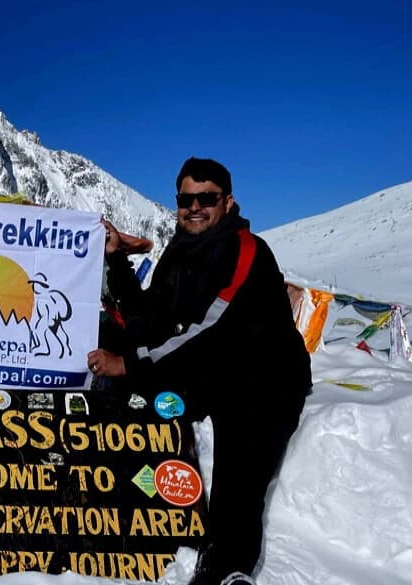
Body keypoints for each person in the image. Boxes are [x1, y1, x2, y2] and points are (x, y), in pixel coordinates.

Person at [87, 157, 311, 585]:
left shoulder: (247, 252)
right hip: (208, 371)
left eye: (206, 198)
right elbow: (149, 320)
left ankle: (227, 569)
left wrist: (128, 364)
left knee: (238, 480)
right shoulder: (179, 251)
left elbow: (210, 330)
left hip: (262, 382)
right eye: (187, 199)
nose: (195, 207)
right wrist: (116, 261)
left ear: (227, 203)